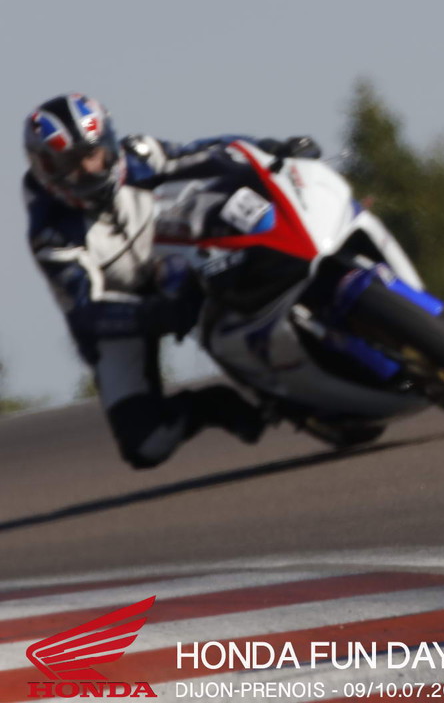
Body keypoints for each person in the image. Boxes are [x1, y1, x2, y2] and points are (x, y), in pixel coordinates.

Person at [23, 93, 319, 468]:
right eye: (70, 164)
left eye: (93, 154)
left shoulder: (138, 156)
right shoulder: (51, 235)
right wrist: (162, 313)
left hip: (175, 253)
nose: (88, 169)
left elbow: (213, 151)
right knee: (145, 445)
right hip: (123, 309)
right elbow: (88, 312)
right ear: (45, 169)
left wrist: (274, 150)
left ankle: (314, 301)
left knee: (246, 215)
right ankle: (212, 406)